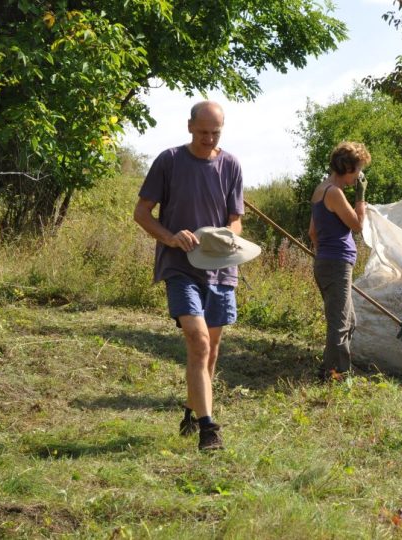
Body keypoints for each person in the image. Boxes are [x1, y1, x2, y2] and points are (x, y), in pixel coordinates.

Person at [133, 100, 247, 451]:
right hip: (180, 267)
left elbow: (236, 219)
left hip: (221, 269)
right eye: (203, 133)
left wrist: (229, 235)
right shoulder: (169, 161)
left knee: (210, 353)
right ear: (189, 127)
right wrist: (170, 237)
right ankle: (208, 429)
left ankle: (191, 409)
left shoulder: (231, 165)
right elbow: (142, 213)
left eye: (215, 133)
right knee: (197, 342)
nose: (209, 139)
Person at [308, 141, 371, 381]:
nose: (359, 175)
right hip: (335, 264)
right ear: (347, 167)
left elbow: (312, 231)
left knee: (347, 320)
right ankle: (334, 375)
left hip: (327, 262)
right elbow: (356, 224)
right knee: (340, 323)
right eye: (358, 169)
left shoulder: (321, 189)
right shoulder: (334, 193)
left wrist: (322, 253)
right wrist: (361, 197)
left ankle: (335, 369)